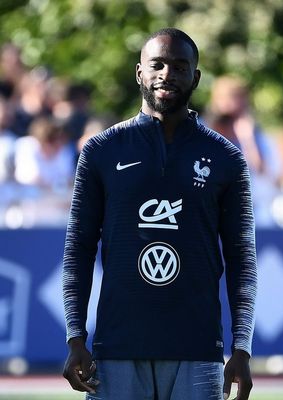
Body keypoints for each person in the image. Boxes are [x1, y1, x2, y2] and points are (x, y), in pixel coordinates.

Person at [62, 28, 257, 400]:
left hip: (198, 348)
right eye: (157, 64)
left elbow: (242, 259)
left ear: (195, 77)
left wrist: (242, 348)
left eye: (180, 66)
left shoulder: (227, 157)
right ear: (139, 72)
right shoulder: (101, 150)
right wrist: (75, 337)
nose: (167, 74)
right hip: (117, 347)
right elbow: (78, 249)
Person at [205, 75, 282, 226]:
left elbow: (269, 177)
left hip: (249, 213)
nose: (234, 105)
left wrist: (247, 140)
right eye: (228, 98)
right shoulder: (200, 130)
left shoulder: (259, 138)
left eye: (239, 99)